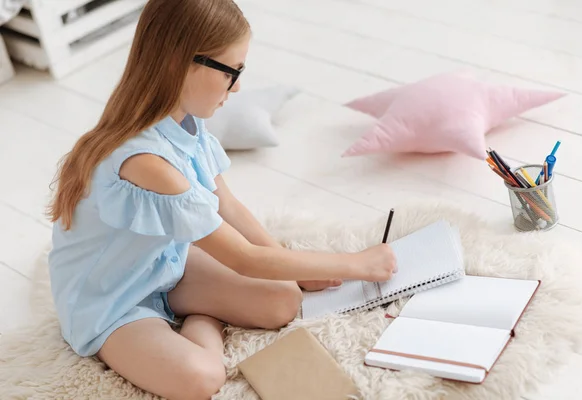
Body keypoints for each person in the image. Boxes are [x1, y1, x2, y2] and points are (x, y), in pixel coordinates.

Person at [46, 1, 396, 399]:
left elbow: (227, 207)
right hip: (110, 300)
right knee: (202, 378)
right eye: (233, 72)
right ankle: (191, 322)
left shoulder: (187, 125)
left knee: (283, 299)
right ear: (183, 65)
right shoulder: (147, 163)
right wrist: (354, 264)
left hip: (162, 262)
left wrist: (300, 273)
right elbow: (243, 258)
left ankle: (187, 313)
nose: (238, 87)